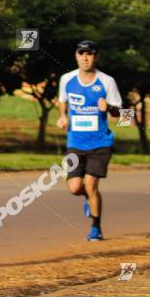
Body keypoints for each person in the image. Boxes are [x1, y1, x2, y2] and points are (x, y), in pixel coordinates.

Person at [56, 40, 122, 241]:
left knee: (91, 184)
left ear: (96, 56)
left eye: (89, 53)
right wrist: (62, 116)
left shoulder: (107, 81)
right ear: (76, 56)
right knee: (75, 187)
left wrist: (109, 108)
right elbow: (62, 101)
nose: (85, 57)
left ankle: (96, 227)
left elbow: (121, 114)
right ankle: (88, 198)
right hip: (75, 142)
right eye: (81, 53)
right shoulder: (67, 79)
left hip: (100, 143)